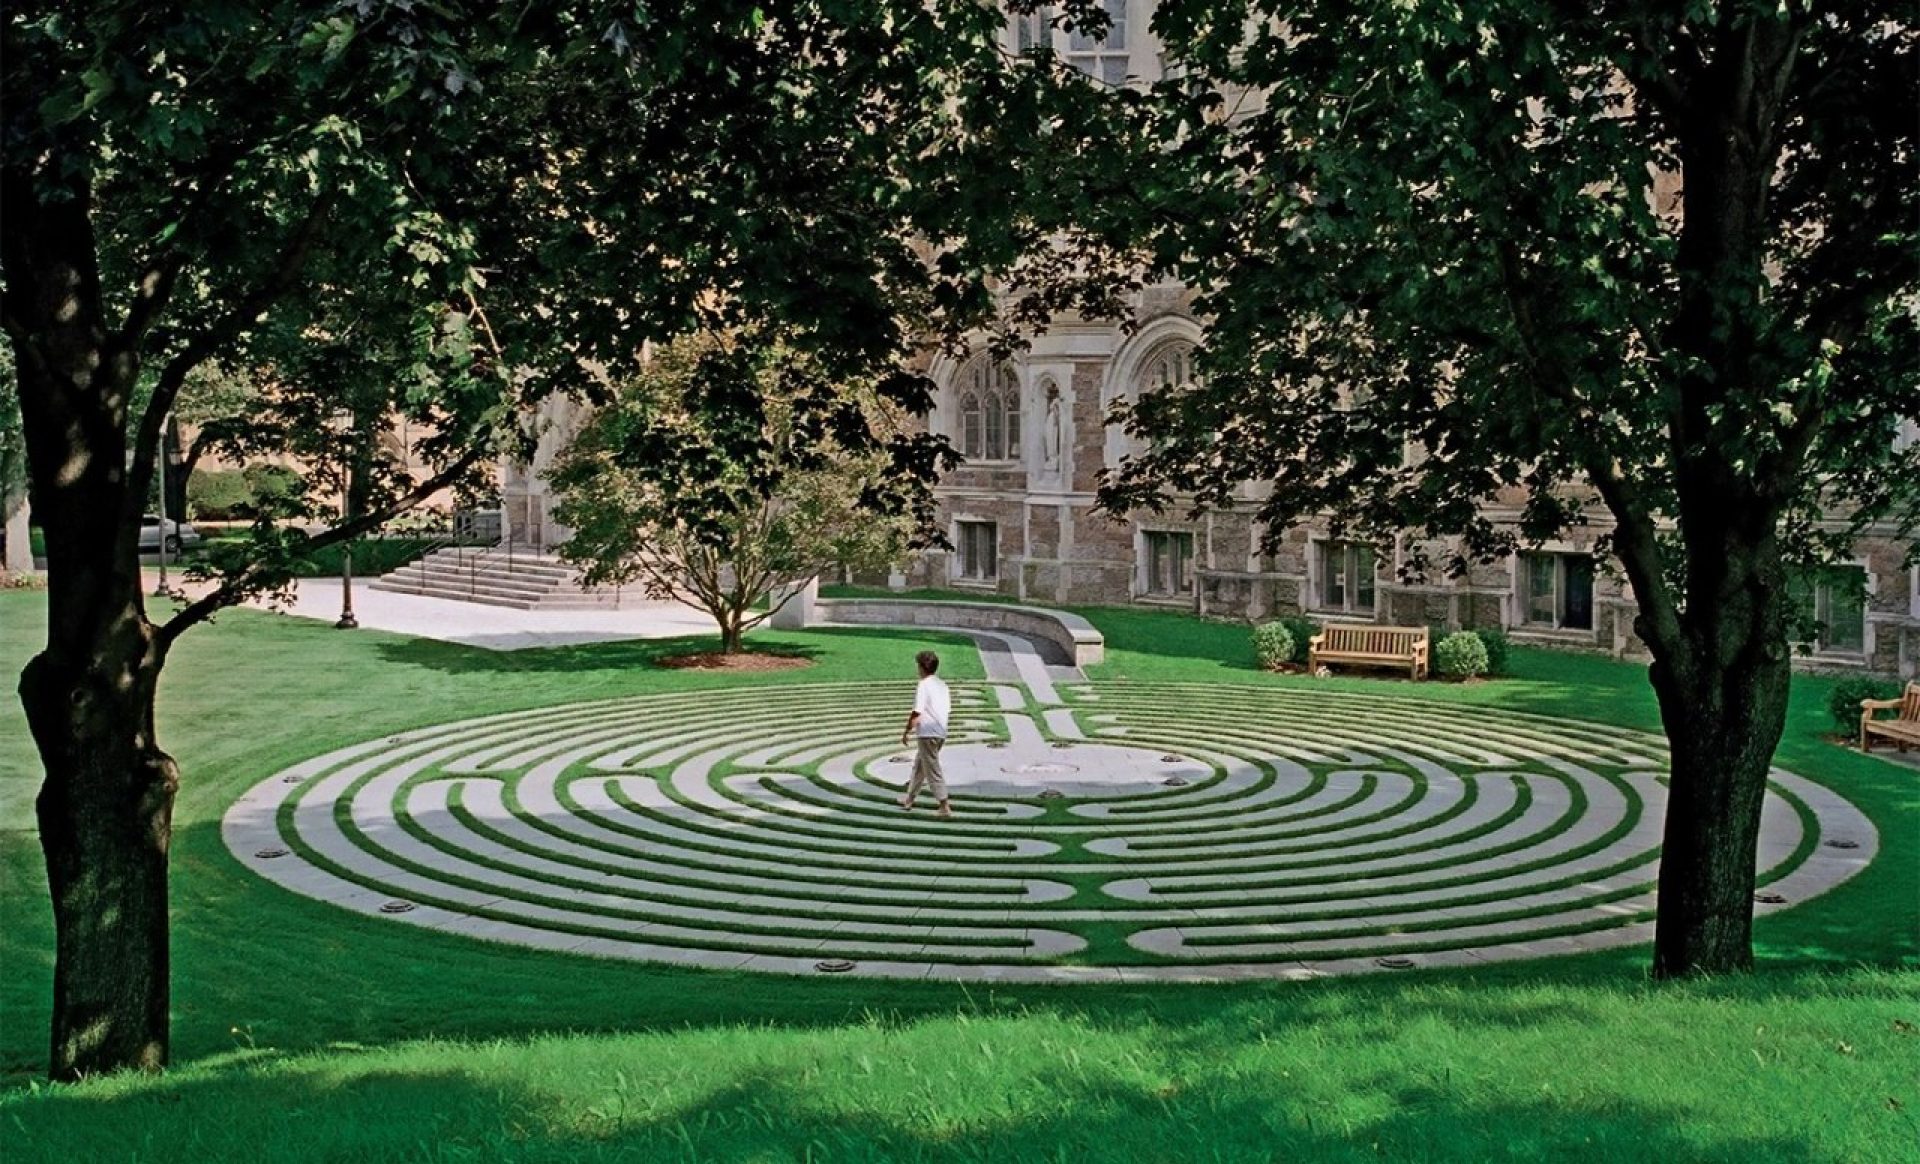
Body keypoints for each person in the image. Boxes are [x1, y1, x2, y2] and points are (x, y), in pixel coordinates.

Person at [898, 649, 952, 818]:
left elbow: (917, 712)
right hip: (941, 731)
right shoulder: (942, 685)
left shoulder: (923, 685)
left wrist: (907, 730)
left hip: (927, 733)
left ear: (922, 667)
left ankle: (944, 805)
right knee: (920, 766)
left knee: (932, 769)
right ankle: (909, 799)